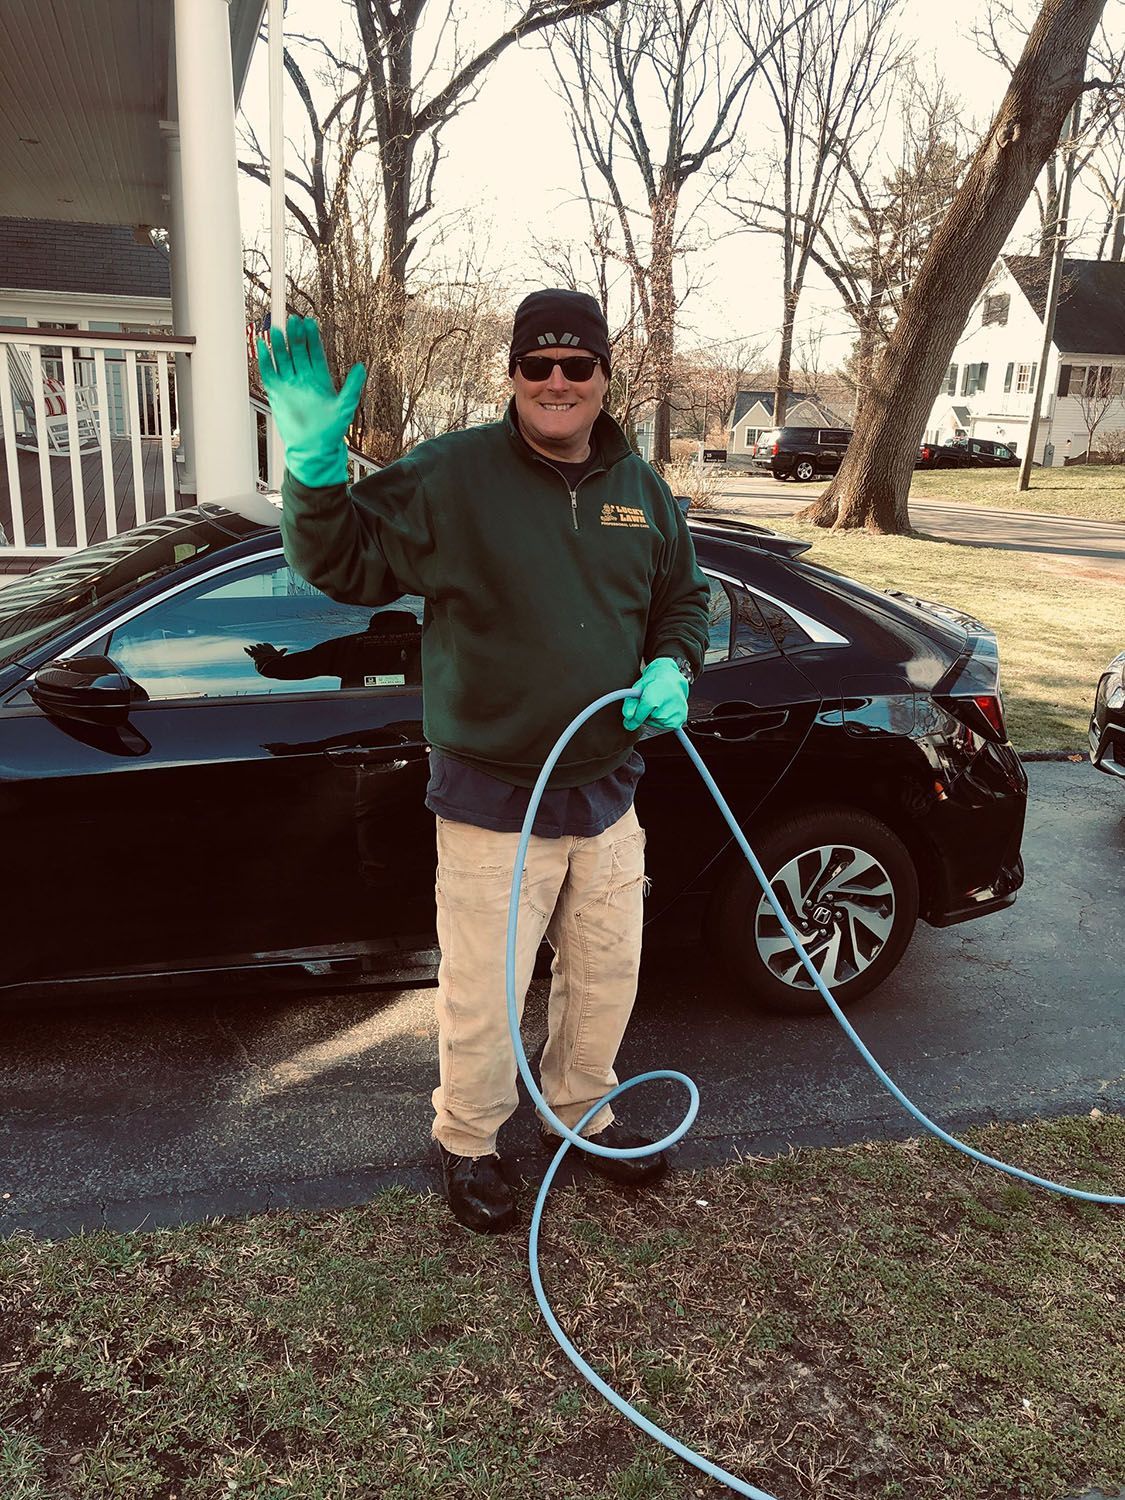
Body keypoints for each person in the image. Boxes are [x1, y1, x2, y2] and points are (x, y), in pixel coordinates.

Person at [258, 290, 709, 1234]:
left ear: (604, 377)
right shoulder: (451, 473)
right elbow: (342, 564)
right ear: (511, 374)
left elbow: (681, 598)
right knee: (485, 994)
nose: (556, 382)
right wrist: (312, 469)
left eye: (576, 365)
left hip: (607, 790)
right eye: (537, 365)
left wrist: (673, 662)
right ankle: (468, 1141)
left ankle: (582, 1116)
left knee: (604, 977)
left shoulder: (639, 487)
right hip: (492, 795)